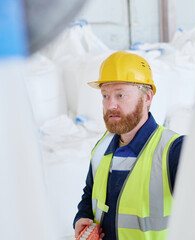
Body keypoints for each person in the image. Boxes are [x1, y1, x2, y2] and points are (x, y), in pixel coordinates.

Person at [73, 51, 184, 240]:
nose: (111, 105)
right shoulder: (103, 147)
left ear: (147, 97)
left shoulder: (173, 150)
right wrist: (82, 217)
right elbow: (89, 193)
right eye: (105, 96)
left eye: (120, 95)